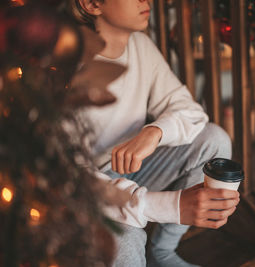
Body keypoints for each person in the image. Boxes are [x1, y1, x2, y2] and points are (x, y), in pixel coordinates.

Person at [69, 0, 240, 266]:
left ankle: (161, 252)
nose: (145, 0)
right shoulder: (64, 63)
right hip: (80, 192)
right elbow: (66, 178)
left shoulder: (140, 45)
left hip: (130, 170)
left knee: (214, 141)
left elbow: (190, 111)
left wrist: (154, 131)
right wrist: (170, 206)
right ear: (92, 4)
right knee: (125, 238)